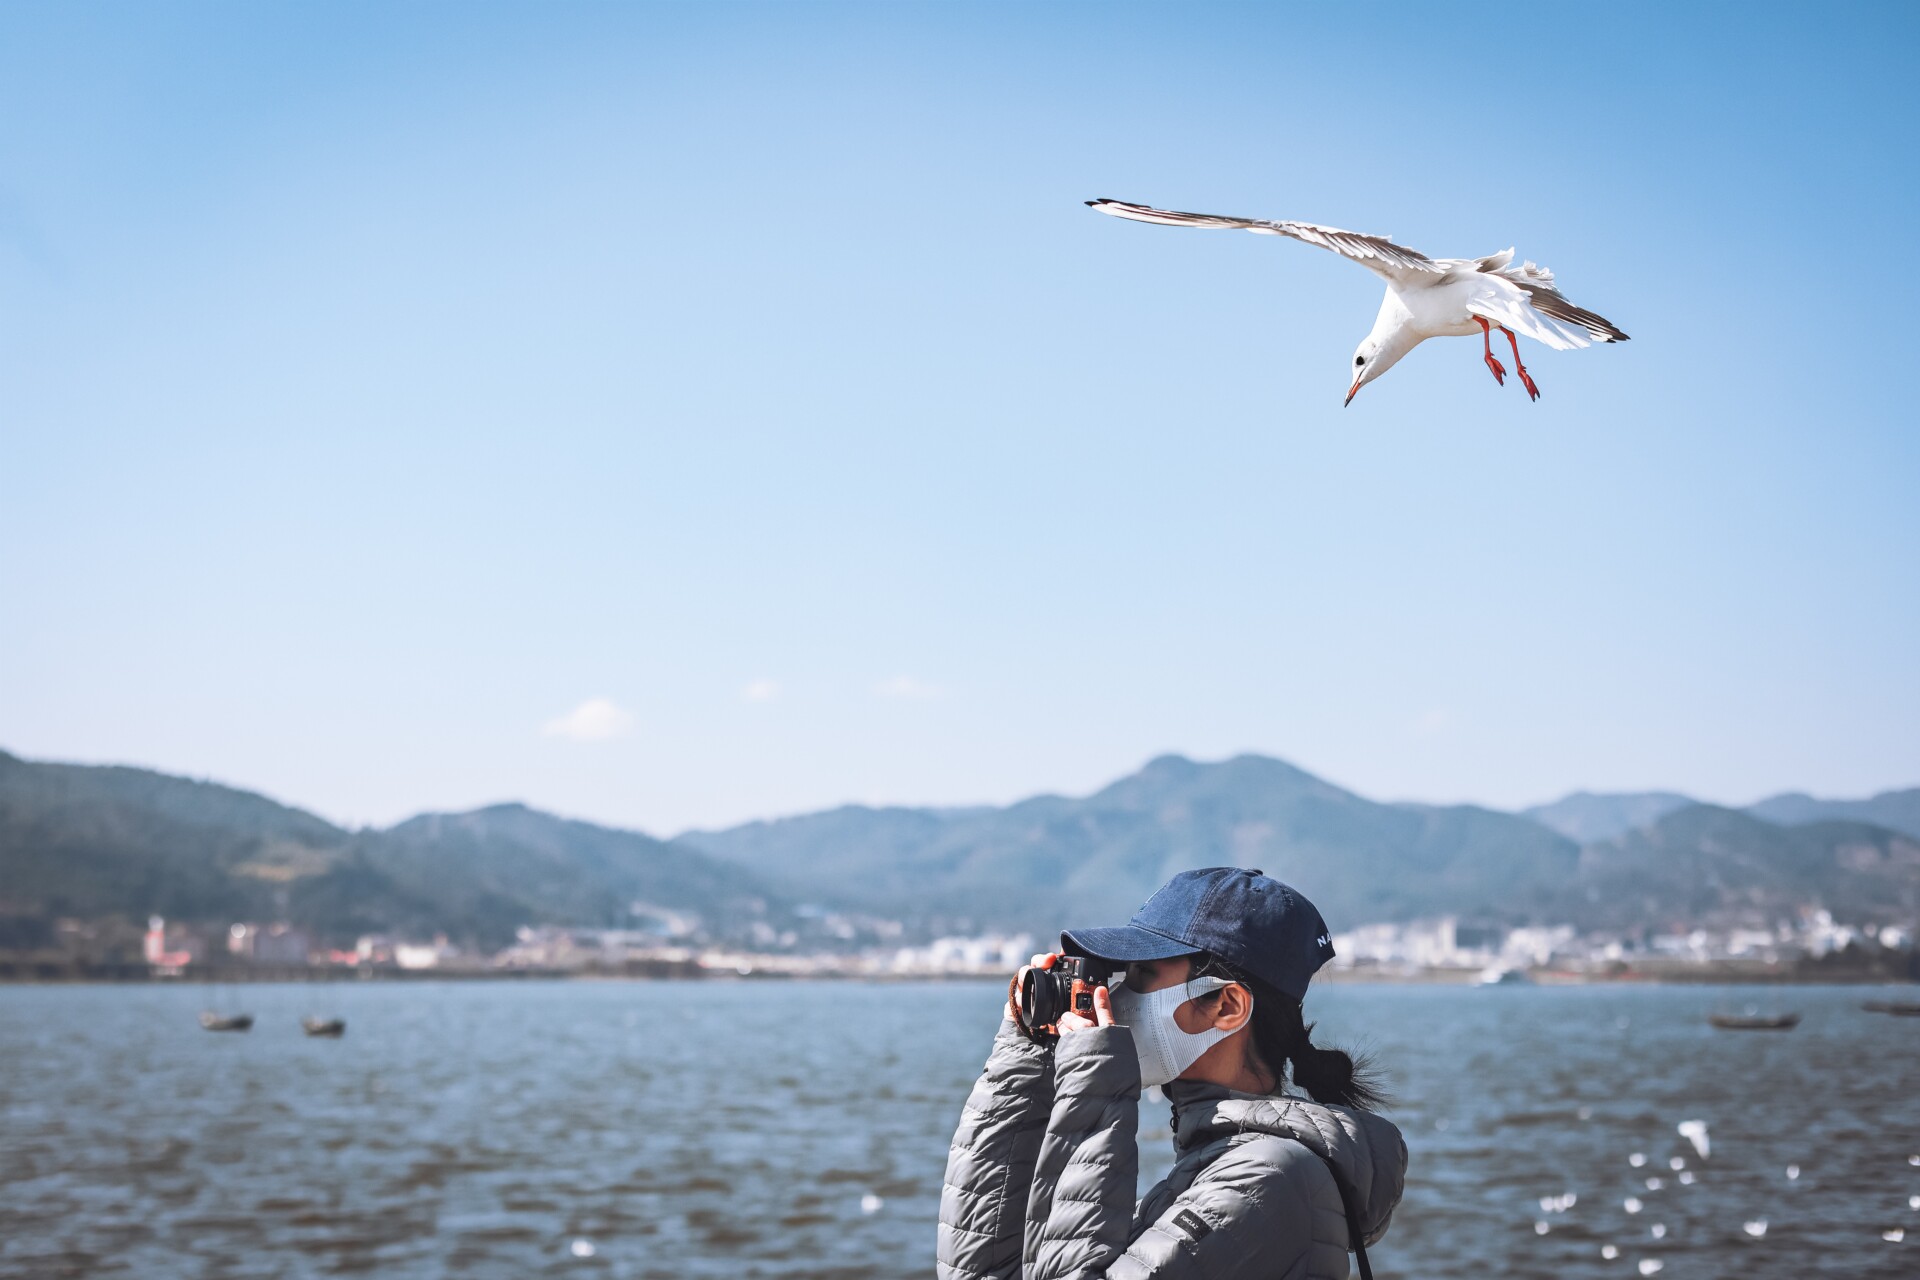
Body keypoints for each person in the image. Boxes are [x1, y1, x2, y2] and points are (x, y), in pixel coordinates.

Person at [937, 867, 1406, 1280]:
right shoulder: (1219, 1163)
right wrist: (1027, 1058)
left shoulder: (1268, 1180)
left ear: (1227, 1005)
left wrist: (1093, 1084)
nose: (1117, 996)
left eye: (1140, 976)